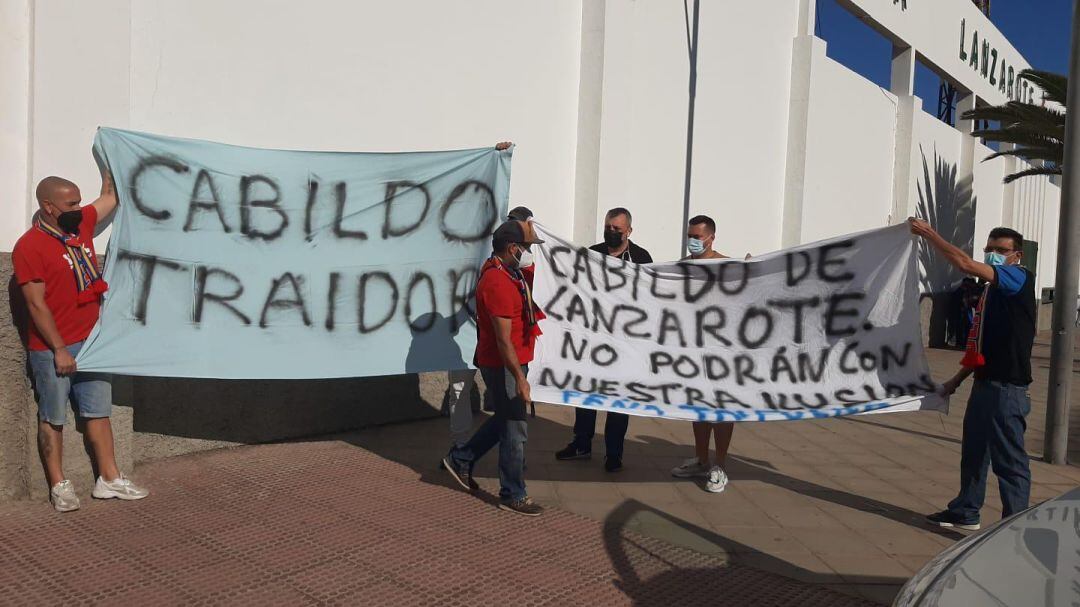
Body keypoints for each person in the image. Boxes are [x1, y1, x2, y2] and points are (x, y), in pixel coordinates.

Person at [13, 173, 149, 512]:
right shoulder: (29, 246)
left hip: (92, 343)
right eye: (70, 204)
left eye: (78, 201)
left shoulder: (79, 226)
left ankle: (109, 478)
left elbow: (108, 198)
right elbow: (35, 304)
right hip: (53, 349)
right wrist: (58, 348)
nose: (79, 208)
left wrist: (111, 159)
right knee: (53, 416)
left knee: (99, 413)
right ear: (48, 207)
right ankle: (59, 484)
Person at [909, 219, 1035, 531]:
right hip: (986, 384)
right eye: (989, 249)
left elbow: (964, 263)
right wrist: (956, 381)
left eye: (1000, 250)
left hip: (1007, 390)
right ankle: (966, 511)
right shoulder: (992, 293)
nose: (992, 254)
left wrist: (930, 235)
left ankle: (1014, 528)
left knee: (1010, 462)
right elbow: (983, 346)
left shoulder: (1017, 278)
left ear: (1016, 255)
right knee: (974, 453)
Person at [442, 219, 545, 516]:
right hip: (503, 364)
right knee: (515, 429)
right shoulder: (497, 282)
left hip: (513, 360)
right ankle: (513, 493)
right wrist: (519, 379)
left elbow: (546, 276)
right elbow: (503, 341)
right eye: (525, 247)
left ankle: (461, 459)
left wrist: (534, 231)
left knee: (505, 419)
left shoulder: (511, 270)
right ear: (513, 249)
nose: (529, 252)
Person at [555, 207, 652, 472]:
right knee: (586, 394)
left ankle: (614, 452)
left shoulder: (641, 258)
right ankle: (582, 442)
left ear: (628, 231)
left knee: (619, 399)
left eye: (616, 229)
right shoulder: (592, 254)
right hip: (593, 340)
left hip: (625, 343)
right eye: (608, 227)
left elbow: (650, 298)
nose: (611, 232)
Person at [669, 215, 732, 493]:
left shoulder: (728, 267)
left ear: (711, 237)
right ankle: (702, 458)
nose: (693, 241)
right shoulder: (682, 267)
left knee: (721, 409)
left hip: (722, 351)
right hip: (693, 351)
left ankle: (719, 464)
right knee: (698, 406)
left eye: (697, 236)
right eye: (690, 235)